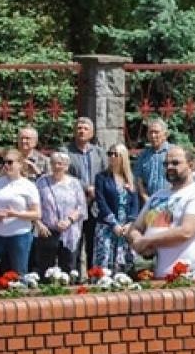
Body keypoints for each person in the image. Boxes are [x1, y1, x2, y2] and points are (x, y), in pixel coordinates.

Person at [124, 146, 195, 275]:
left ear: (191, 165)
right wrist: (138, 241)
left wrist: (148, 241)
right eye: (166, 164)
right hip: (156, 276)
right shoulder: (158, 195)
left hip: (186, 276)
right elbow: (136, 227)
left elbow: (186, 232)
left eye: (175, 163)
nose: (169, 167)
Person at [0, 150, 40, 278]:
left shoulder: (28, 186)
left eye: (10, 162)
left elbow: (37, 214)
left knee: (19, 272)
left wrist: (15, 214)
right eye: (4, 162)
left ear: (20, 164)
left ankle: (21, 295)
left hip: (20, 234)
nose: (6, 165)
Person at [33, 152, 87, 274]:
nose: (56, 166)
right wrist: (39, 224)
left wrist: (69, 220)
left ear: (66, 166)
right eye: (53, 163)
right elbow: (34, 205)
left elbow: (81, 206)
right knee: (45, 269)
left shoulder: (74, 183)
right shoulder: (41, 182)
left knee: (68, 268)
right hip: (46, 231)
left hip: (70, 232)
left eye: (60, 164)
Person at [93, 143, 141, 273]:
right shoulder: (101, 178)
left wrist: (130, 222)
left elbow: (135, 203)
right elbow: (101, 202)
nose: (112, 156)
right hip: (107, 225)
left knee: (124, 262)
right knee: (104, 261)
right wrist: (113, 224)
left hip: (125, 227)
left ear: (123, 157)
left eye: (115, 154)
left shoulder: (131, 179)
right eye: (110, 153)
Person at [65, 117, 105, 270]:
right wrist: (87, 187)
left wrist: (96, 189)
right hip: (74, 205)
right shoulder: (66, 151)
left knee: (92, 244)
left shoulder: (99, 153)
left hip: (95, 205)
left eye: (85, 128)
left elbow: (105, 174)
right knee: (74, 243)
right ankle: (73, 277)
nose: (82, 131)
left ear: (92, 133)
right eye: (79, 128)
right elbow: (65, 174)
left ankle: (93, 277)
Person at [134, 119, 171, 197]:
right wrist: (146, 198)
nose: (153, 135)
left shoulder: (173, 152)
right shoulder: (143, 155)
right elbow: (138, 178)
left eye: (156, 132)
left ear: (165, 134)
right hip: (148, 201)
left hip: (170, 200)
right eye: (150, 132)